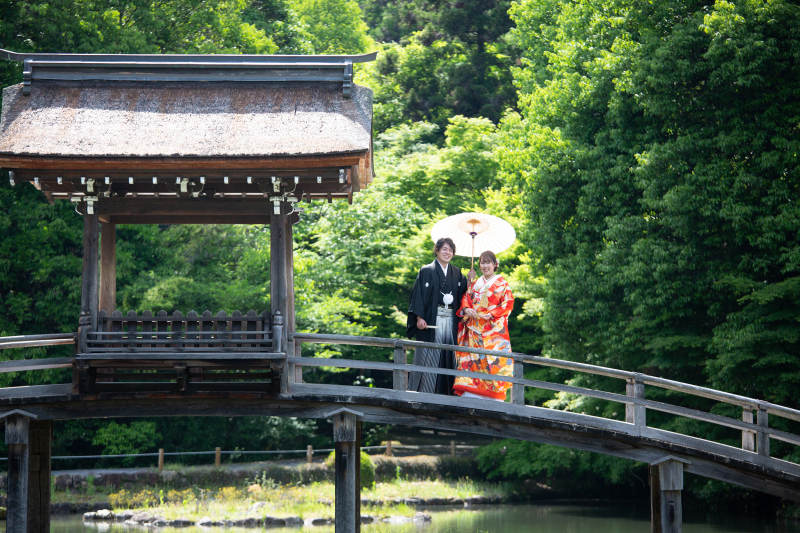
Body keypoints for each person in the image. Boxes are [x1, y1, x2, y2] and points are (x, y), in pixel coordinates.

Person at [407, 237, 475, 394]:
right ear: (436, 250)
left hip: (450, 321)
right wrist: (419, 317)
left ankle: (448, 393)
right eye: (444, 249)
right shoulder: (426, 270)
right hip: (431, 320)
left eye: (450, 250)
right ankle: (424, 393)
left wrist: (470, 281)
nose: (448, 252)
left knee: (448, 354)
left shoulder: (456, 273)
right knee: (429, 354)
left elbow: (467, 295)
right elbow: (419, 295)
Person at [453, 250, 515, 401]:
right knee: (474, 361)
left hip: (491, 331)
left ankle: (494, 396)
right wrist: (467, 308)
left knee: (491, 361)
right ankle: (471, 393)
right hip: (474, 329)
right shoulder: (475, 283)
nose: (485, 266)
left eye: (488, 262)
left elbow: (508, 304)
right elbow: (466, 297)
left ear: (495, 265)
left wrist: (492, 314)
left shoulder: (502, 284)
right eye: (482, 262)